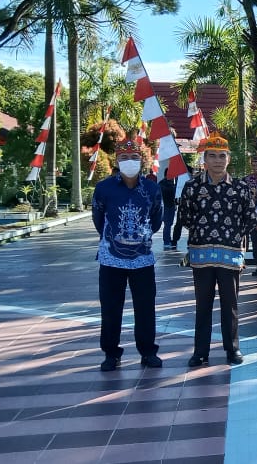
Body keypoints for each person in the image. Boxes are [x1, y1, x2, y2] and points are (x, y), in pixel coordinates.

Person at [178, 132, 255, 366]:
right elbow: (184, 216)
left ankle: (232, 349)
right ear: (205, 159)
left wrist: (232, 234)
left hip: (229, 255)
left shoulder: (241, 187)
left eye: (222, 156)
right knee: (203, 305)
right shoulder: (192, 187)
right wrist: (204, 232)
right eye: (212, 156)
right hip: (201, 255)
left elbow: (250, 218)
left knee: (229, 305)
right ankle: (200, 352)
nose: (218, 161)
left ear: (228, 159)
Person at [92, 139, 163, 371]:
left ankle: (148, 351)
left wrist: (140, 238)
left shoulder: (152, 189)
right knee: (111, 307)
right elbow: (98, 219)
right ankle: (111, 354)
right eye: (123, 158)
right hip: (111, 258)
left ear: (142, 160)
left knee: (145, 307)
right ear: (116, 160)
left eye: (134, 157)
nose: (129, 162)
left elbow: (156, 220)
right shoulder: (104, 188)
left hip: (142, 258)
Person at [158, 169, 179, 250]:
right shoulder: (165, 184)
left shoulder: (164, 183)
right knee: (167, 224)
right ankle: (166, 241)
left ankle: (167, 239)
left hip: (170, 206)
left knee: (169, 224)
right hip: (166, 206)